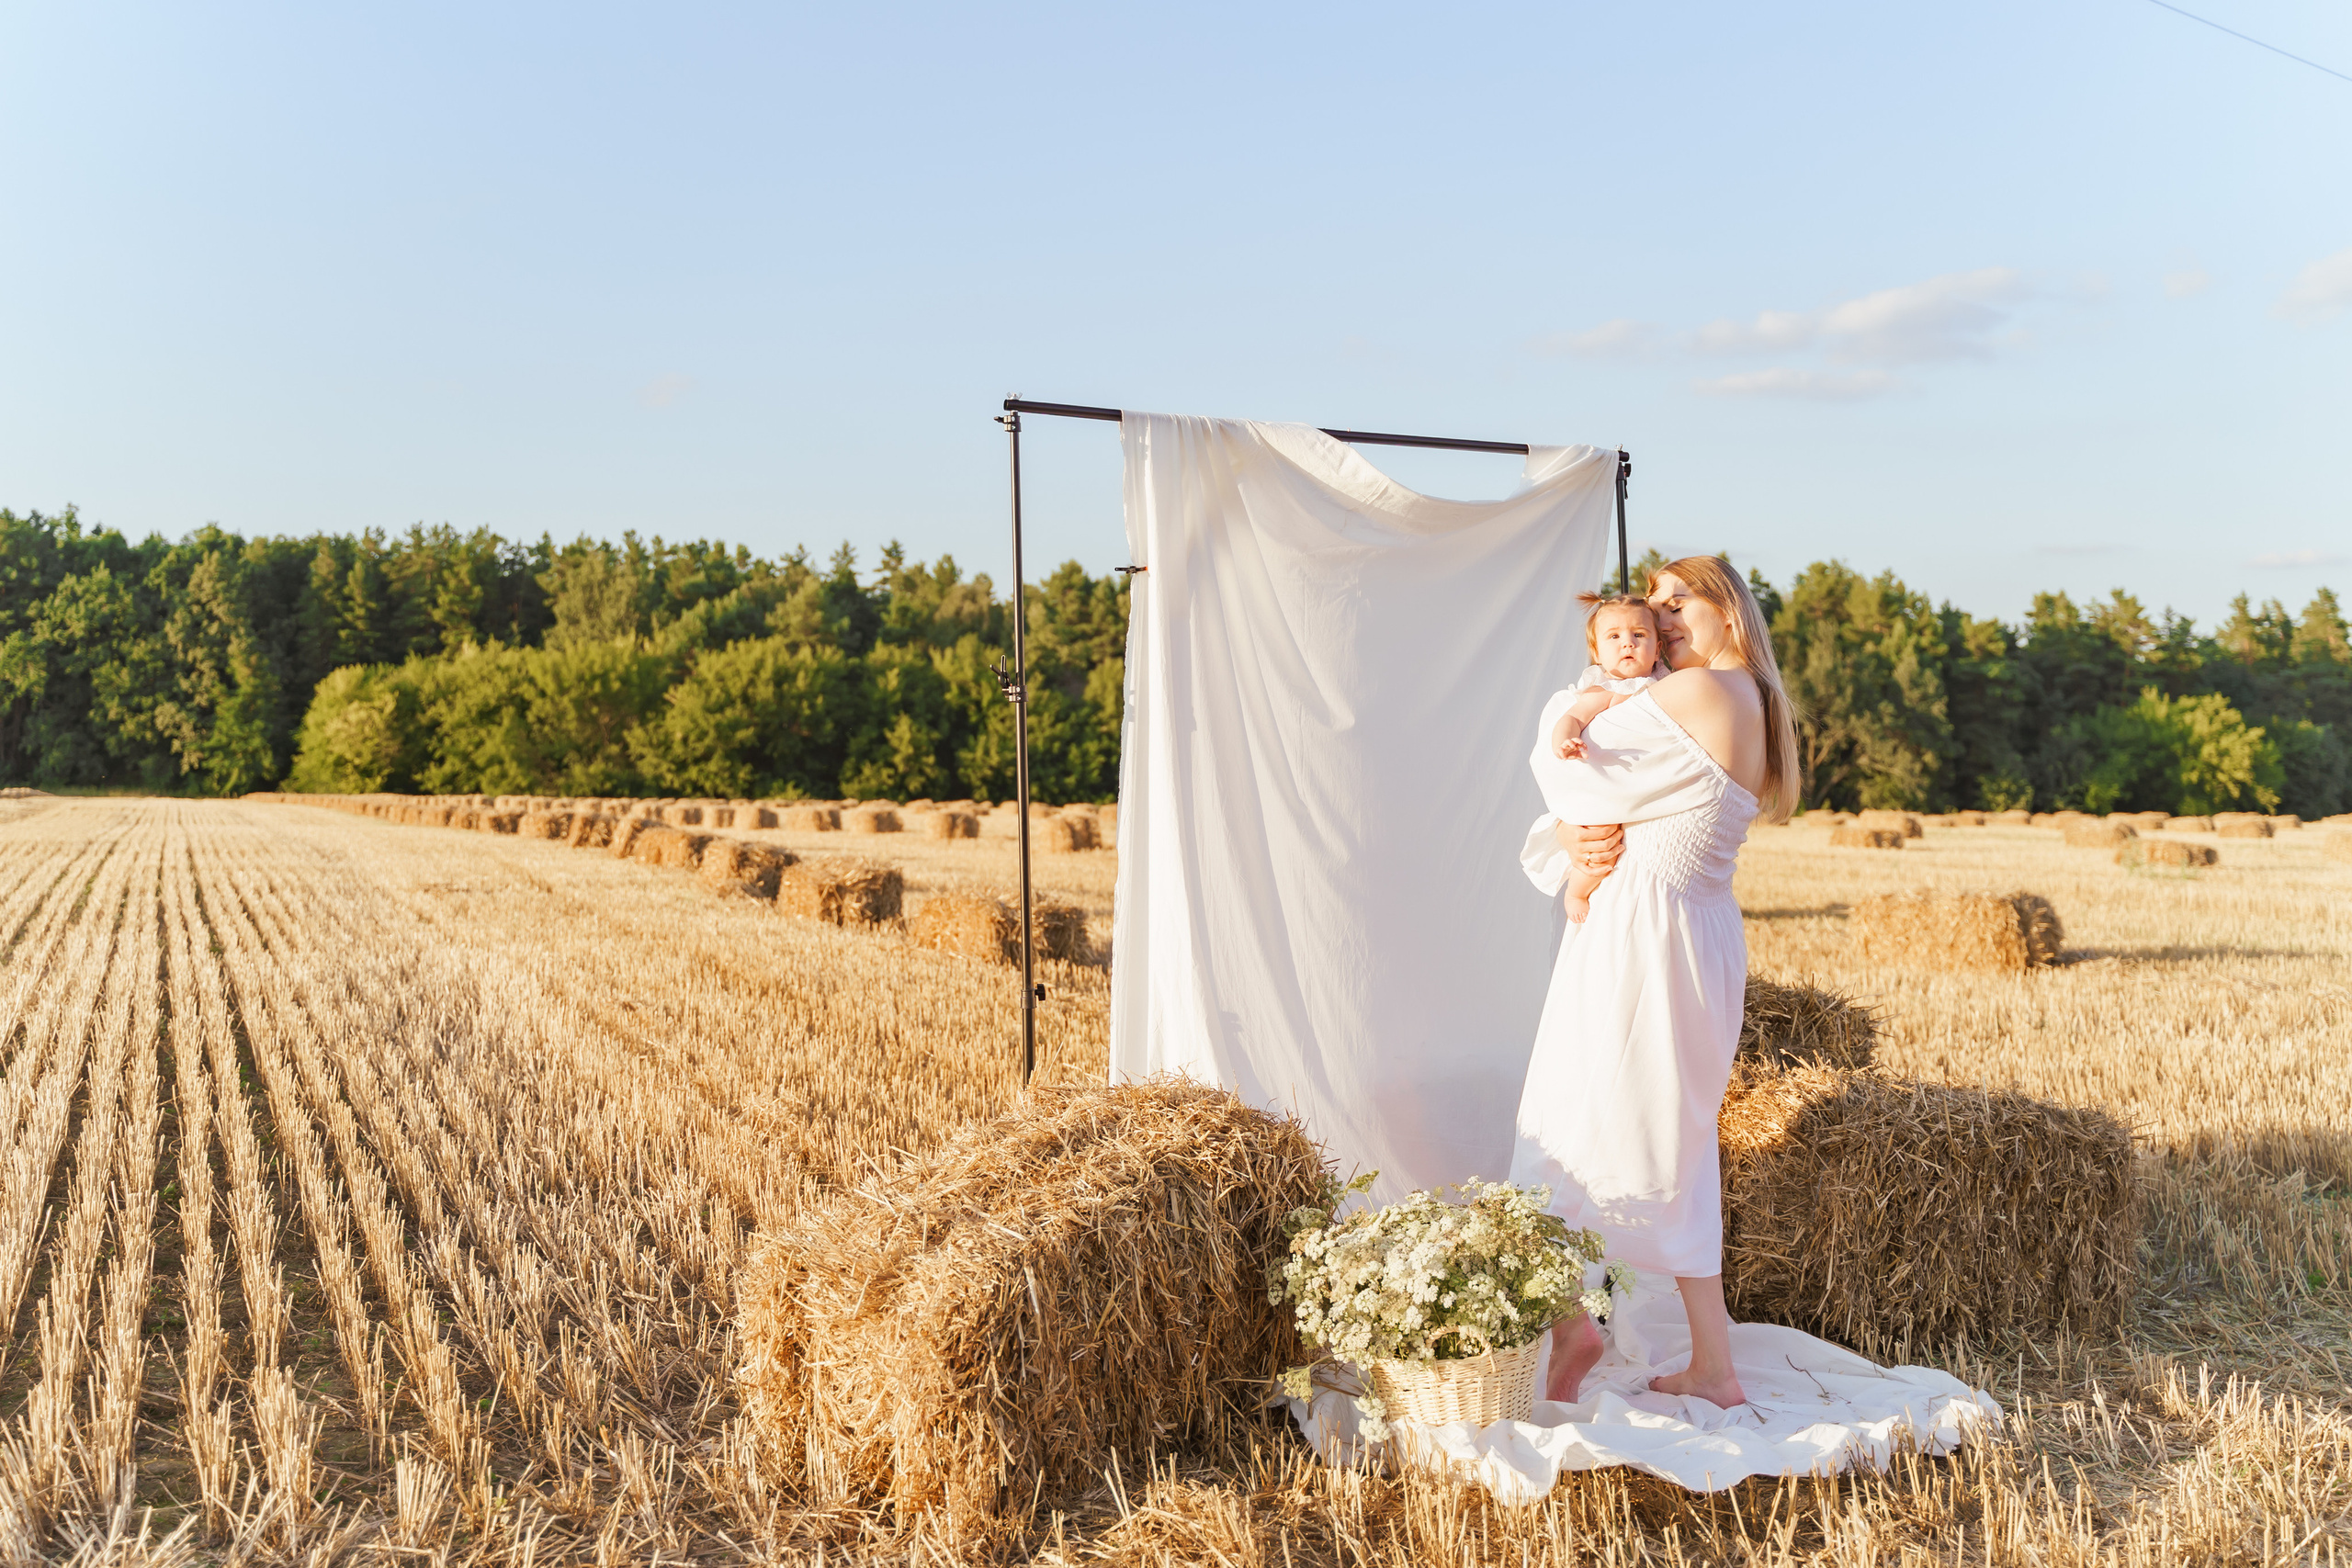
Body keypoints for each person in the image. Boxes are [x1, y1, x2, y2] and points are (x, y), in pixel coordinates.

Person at [1509, 556, 1800, 1410]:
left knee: (1565, 1116)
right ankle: (1710, 1362)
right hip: (1692, 931)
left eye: (1681, 602)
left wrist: (1569, 818)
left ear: (1731, 611)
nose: (1663, 618)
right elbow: (1620, 802)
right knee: (1670, 1141)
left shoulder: (1700, 693)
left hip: (1645, 936)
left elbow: (1566, 765)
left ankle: (1573, 1323)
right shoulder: (1747, 701)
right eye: (1655, 604)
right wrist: (1575, 843)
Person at [1545, 593, 1670, 923]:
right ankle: (1577, 890)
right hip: (1608, 787)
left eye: (1639, 635)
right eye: (1614, 637)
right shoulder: (1604, 690)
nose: (1627, 644)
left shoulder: (1667, 686)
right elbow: (1572, 718)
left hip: (1647, 784)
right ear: (1597, 653)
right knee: (1603, 841)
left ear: (1658, 648)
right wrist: (1565, 741)